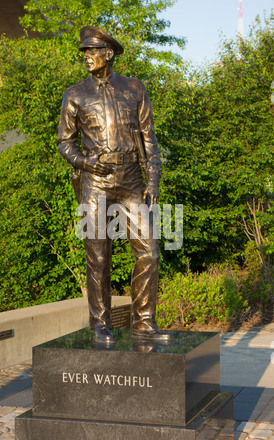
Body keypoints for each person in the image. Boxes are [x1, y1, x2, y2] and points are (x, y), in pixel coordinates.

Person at [57, 26, 171, 343]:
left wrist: (153, 180)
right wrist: (86, 162)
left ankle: (145, 323)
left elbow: (150, 140)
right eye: (85, 52)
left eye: (92, 52)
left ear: (108, 54)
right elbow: (64, 144)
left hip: (133, 180)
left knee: (149, 252)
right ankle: (99, 325)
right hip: (95, 181)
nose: (86, 57)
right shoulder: (75, 94)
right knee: (98, 256)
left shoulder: (135, 89)